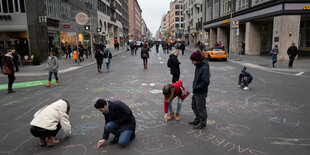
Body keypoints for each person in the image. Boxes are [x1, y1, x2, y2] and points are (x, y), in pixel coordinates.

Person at [189, 50, 210, 129]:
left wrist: (196, 87)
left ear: (197, 60)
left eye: (193, 61)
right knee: (194, 105)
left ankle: (202, 123)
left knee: (201, 108)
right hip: (196, 91)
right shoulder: (198, 66)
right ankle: (197, 119)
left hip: (200, 92)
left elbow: (206, 82)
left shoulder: (204, 68)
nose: (192, 62)